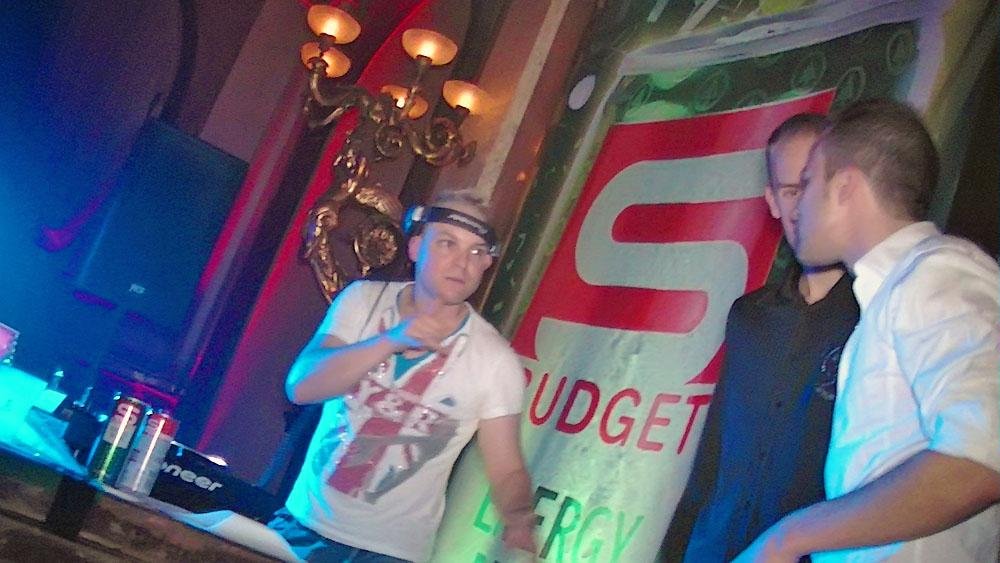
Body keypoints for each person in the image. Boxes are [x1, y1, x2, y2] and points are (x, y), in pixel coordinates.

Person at [735, 98, 1000, 562]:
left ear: (844, 188)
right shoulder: (888, 296)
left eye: (808, 183)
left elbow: (984, 458)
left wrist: (789, 536)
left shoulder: (937, 272)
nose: (797, 209)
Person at [269, 192, 536, 562]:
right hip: (304, 525)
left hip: (391, 553)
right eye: (448, 243)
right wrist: (391, 340)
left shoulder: (495, 360)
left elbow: (506, 468)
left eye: (476, 251)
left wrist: (519, 521)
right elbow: (301, 387)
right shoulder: (363, 300)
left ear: (487, 263)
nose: (462, 262)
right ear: (415, 247)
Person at [659, 114, 859, 562]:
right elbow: (713, 458)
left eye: (814, 185)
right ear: (772, 201)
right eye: (790, 190)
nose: (803, 205)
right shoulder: (749, 316)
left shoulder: (876, 316)